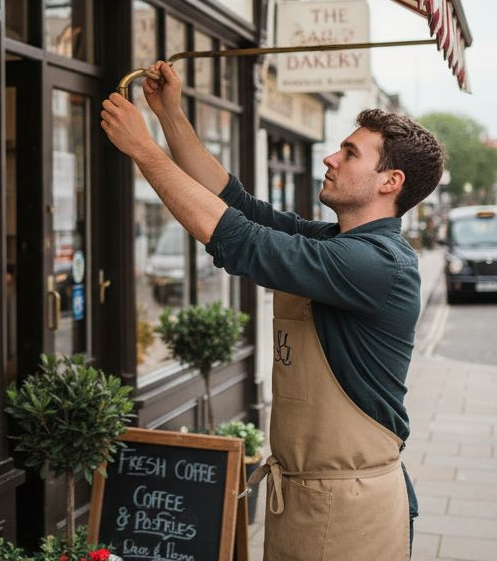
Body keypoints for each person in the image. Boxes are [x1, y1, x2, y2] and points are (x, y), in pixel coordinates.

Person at [100, 61, 446, 561]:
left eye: (349, 153)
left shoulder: (377, 264)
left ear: (390, 181)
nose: (330, 158)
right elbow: (235, 205)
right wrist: (170, 115)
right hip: (303, 496)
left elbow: (238, 239)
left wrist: (143, 149)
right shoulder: (336, 241)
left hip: (347, 512)